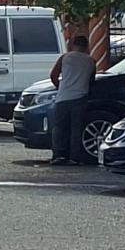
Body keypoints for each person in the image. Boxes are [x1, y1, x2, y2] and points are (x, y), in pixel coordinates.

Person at [49, 35, 95, 165]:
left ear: (73, 44)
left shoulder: (65, 57)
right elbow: (92, 80)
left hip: (63, 97)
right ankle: (74, 157)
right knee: (76, 128)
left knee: (59, 127)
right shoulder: (90, 61)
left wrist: (60, 87)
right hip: (80, 97)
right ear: (86, 46)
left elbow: (53, 75)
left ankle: (59, 155)